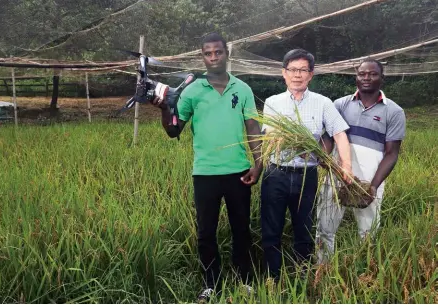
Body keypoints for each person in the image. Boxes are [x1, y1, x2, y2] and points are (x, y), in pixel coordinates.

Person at [151, 32, 262, 302]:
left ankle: (245, 279)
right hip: (205, 173)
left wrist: (259, 164)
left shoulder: (242, 89)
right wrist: (165, 109)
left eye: (218, 52)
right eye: (207, 53)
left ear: (227, 54)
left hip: (239, 171)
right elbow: (174, 131)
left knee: (241, 228)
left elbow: (252, 128)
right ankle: (211, 283)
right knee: (206, 232)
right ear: (202, 56)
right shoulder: (192, 90)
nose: (213, 57)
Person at [260, 49, 353, 282]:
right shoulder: (272, 103)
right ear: (284, 73)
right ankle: (273, 277)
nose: (297, 75)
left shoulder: (323, 103)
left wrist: (346, 166)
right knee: (272, 229)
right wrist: (285, 141)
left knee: (304, 228)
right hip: (276, 174)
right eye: (292, 70)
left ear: (311, 75)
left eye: (303, 70)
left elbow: (340, 134)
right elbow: (269, 138)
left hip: (306, 176)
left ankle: (303, 276)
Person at [316, 59, 406, 263]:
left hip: (369, 180)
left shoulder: (394, 111)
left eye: (372, 74)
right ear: (356, 77)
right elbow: (329, 138)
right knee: (325, 226)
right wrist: (323, 156)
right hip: (338, 174)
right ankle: (322, 267)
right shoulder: (340, 104)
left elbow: (392, 153)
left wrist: (372, 186)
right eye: (362, 74)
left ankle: (362, 272)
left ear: (382, 78)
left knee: (367, 230)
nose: (366, 78)